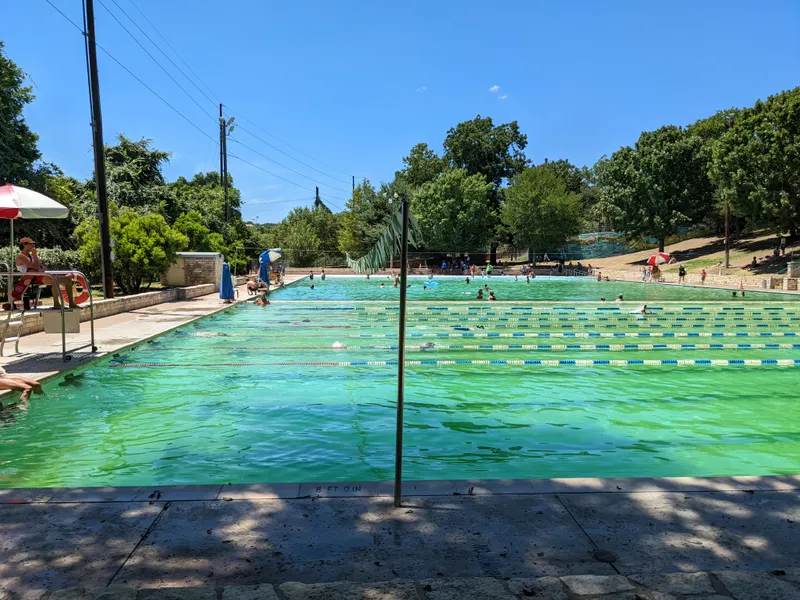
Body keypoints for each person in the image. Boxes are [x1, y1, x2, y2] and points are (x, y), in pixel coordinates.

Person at [15, 238, 78, 310]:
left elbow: (42, 266)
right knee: (55, 280)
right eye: (31, 244)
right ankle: (56, 304)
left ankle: (71, 303)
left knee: (67, 280)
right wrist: (35, 255)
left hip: (39, 275)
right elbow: (35, 266)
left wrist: (38, 265)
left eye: (33, 244)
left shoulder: (31, 256)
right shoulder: (20, 257)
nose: (33, 245)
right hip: (31, 278)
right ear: (24, 245)